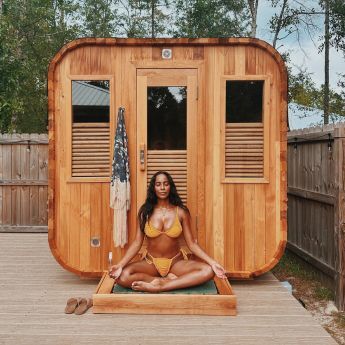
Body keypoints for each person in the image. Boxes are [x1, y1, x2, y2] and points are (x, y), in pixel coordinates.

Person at [109, 171, 226, 293]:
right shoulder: (145, 213)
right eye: (158, 184)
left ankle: (162, 286)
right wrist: (120, 265)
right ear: (153, 188)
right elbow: (137, 243)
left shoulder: (181, 212)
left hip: (176, 263)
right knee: (122, 276)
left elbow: (192, 244)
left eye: (166, 184)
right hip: (151, 263)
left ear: (170, 187)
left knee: (208, 271)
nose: (162, 188)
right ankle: (157, 280)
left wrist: (213, 263)